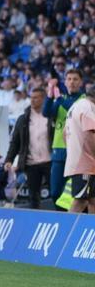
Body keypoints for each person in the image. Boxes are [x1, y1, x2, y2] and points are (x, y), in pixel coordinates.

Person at [5, 86, 53, 209]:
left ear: (43, 99)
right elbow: (15, 142)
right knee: (33, 196)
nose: (32, 100)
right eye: (31, 98)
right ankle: (36, 221)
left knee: (56, 193)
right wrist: (9, 159)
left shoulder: (51, 116)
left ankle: (61, 219)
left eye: (36, 98)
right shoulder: (23, 119)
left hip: (51, 162)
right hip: (31, 163)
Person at [47, 69, 84, 205]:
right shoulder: (62, 99)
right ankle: (63, 220)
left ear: (80, 82)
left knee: (78, 192)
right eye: (69, 79)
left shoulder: (84, 99)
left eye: (75, 79)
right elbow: (46, 112)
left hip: (77, 151)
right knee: (55, 191)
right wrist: (50, 95)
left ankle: (75, 219)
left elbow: (74, 109)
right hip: (59, 149)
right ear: (65, 82)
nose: (72, 82)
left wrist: (59, 99)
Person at [62, 83, 95, 214]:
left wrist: (72, 152)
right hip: (86, 162)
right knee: (81, 201)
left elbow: (65, 134)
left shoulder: (76, 105)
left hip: (78, 161)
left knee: (92, 200)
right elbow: (92, 134)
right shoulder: (89, 107)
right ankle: (64, 231)